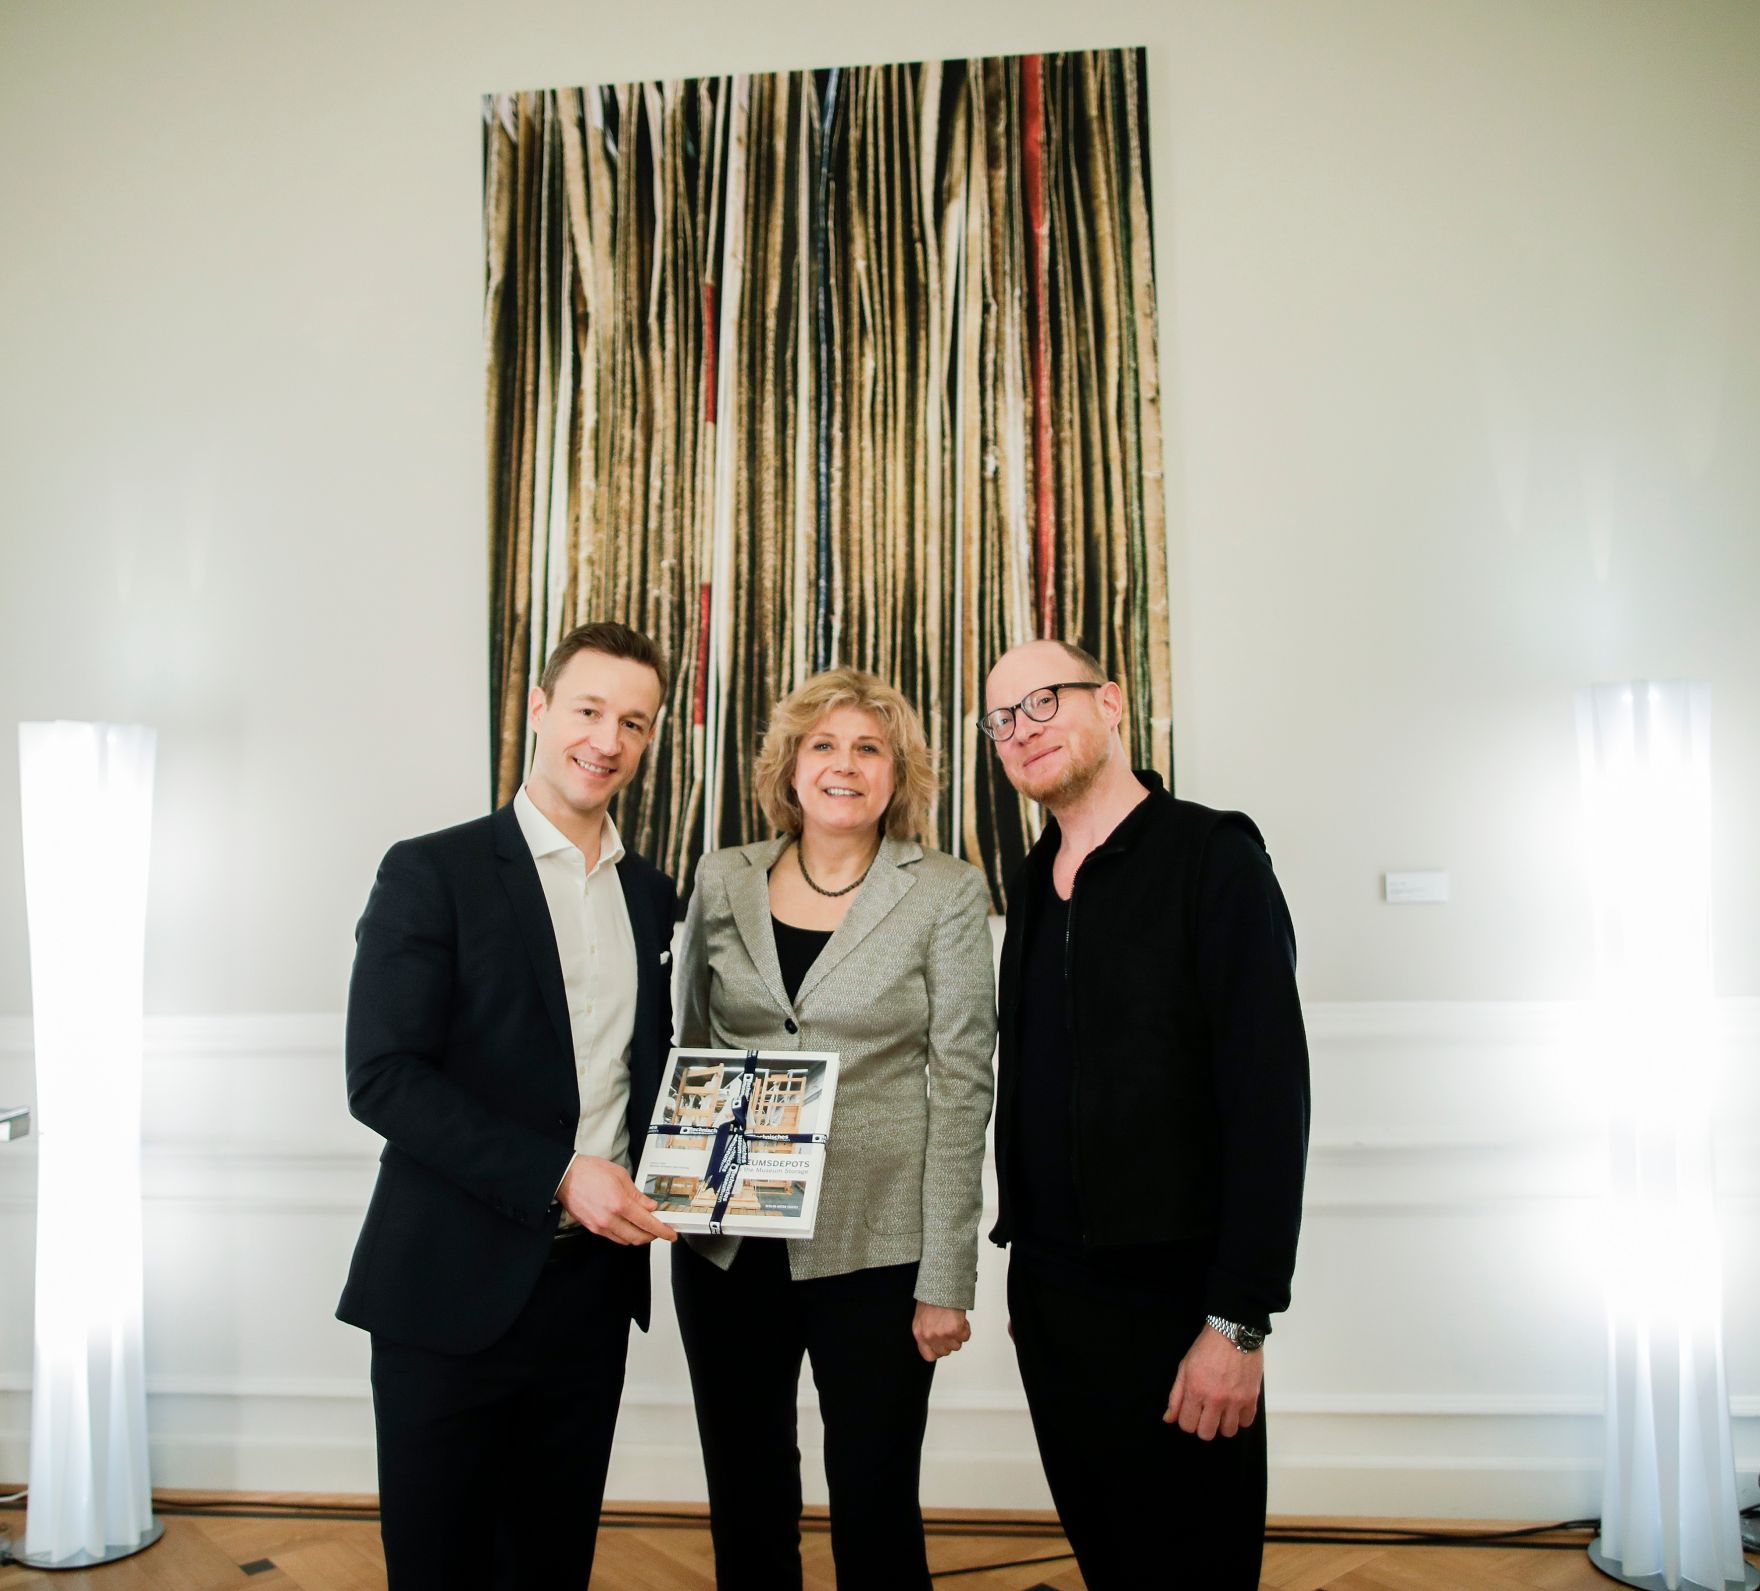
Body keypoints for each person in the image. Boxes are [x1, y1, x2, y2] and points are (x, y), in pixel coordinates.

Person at [337, 622, 680, 1590]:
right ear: (537, 709)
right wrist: (558, 1174)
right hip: (445, 1284)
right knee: (439, 1567)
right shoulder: (430, 870)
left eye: (633, 723)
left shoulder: (654, 896)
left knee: (552, 1562)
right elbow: (383, 1076)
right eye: (587, 710)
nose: (606, 740)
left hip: (589, 1298)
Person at [981, 638, 1310, 1590]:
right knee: (1110, 1561)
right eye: (1002, 719)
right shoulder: (1035, 882)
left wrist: (1239, 1321)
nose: (1022, 730)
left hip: (1182, 1305)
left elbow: (1269, 1099)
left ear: (1112, 703)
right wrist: (1027, 1278)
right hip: (1051, 1298)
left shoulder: (1214, 856)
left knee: (1196, 1571)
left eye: (1043, 701)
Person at [672, 667, 996, 1591]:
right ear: (790, 764)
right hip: (728, 1242)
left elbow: (964, 1086)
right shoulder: (722, 875)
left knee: (876, 1494)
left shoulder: (945, 890)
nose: (844, 765)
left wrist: (947, 1276)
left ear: (899, 774)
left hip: (877, 1247)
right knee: (745, 1490)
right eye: (824, 744)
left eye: (868, 748)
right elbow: (687, 1036)